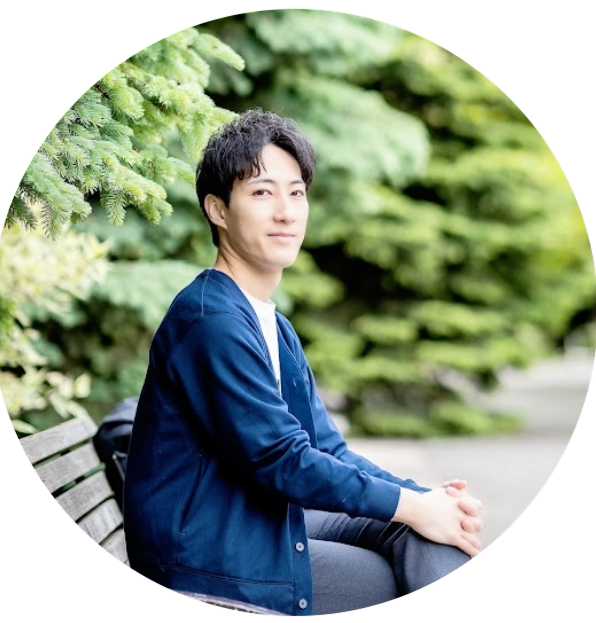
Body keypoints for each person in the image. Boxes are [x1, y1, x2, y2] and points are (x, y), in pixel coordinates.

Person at [123, 108, 484, 616]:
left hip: (260, 525)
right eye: (262, 193)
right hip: (211, 562)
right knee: (403, 558)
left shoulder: (271, 324)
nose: (286, 213)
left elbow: (327, 449)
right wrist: (415, 507)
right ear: (218, 210)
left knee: (426, 529)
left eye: (296, 193)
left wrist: (425, 498)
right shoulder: (210, 320)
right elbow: (282, 460)